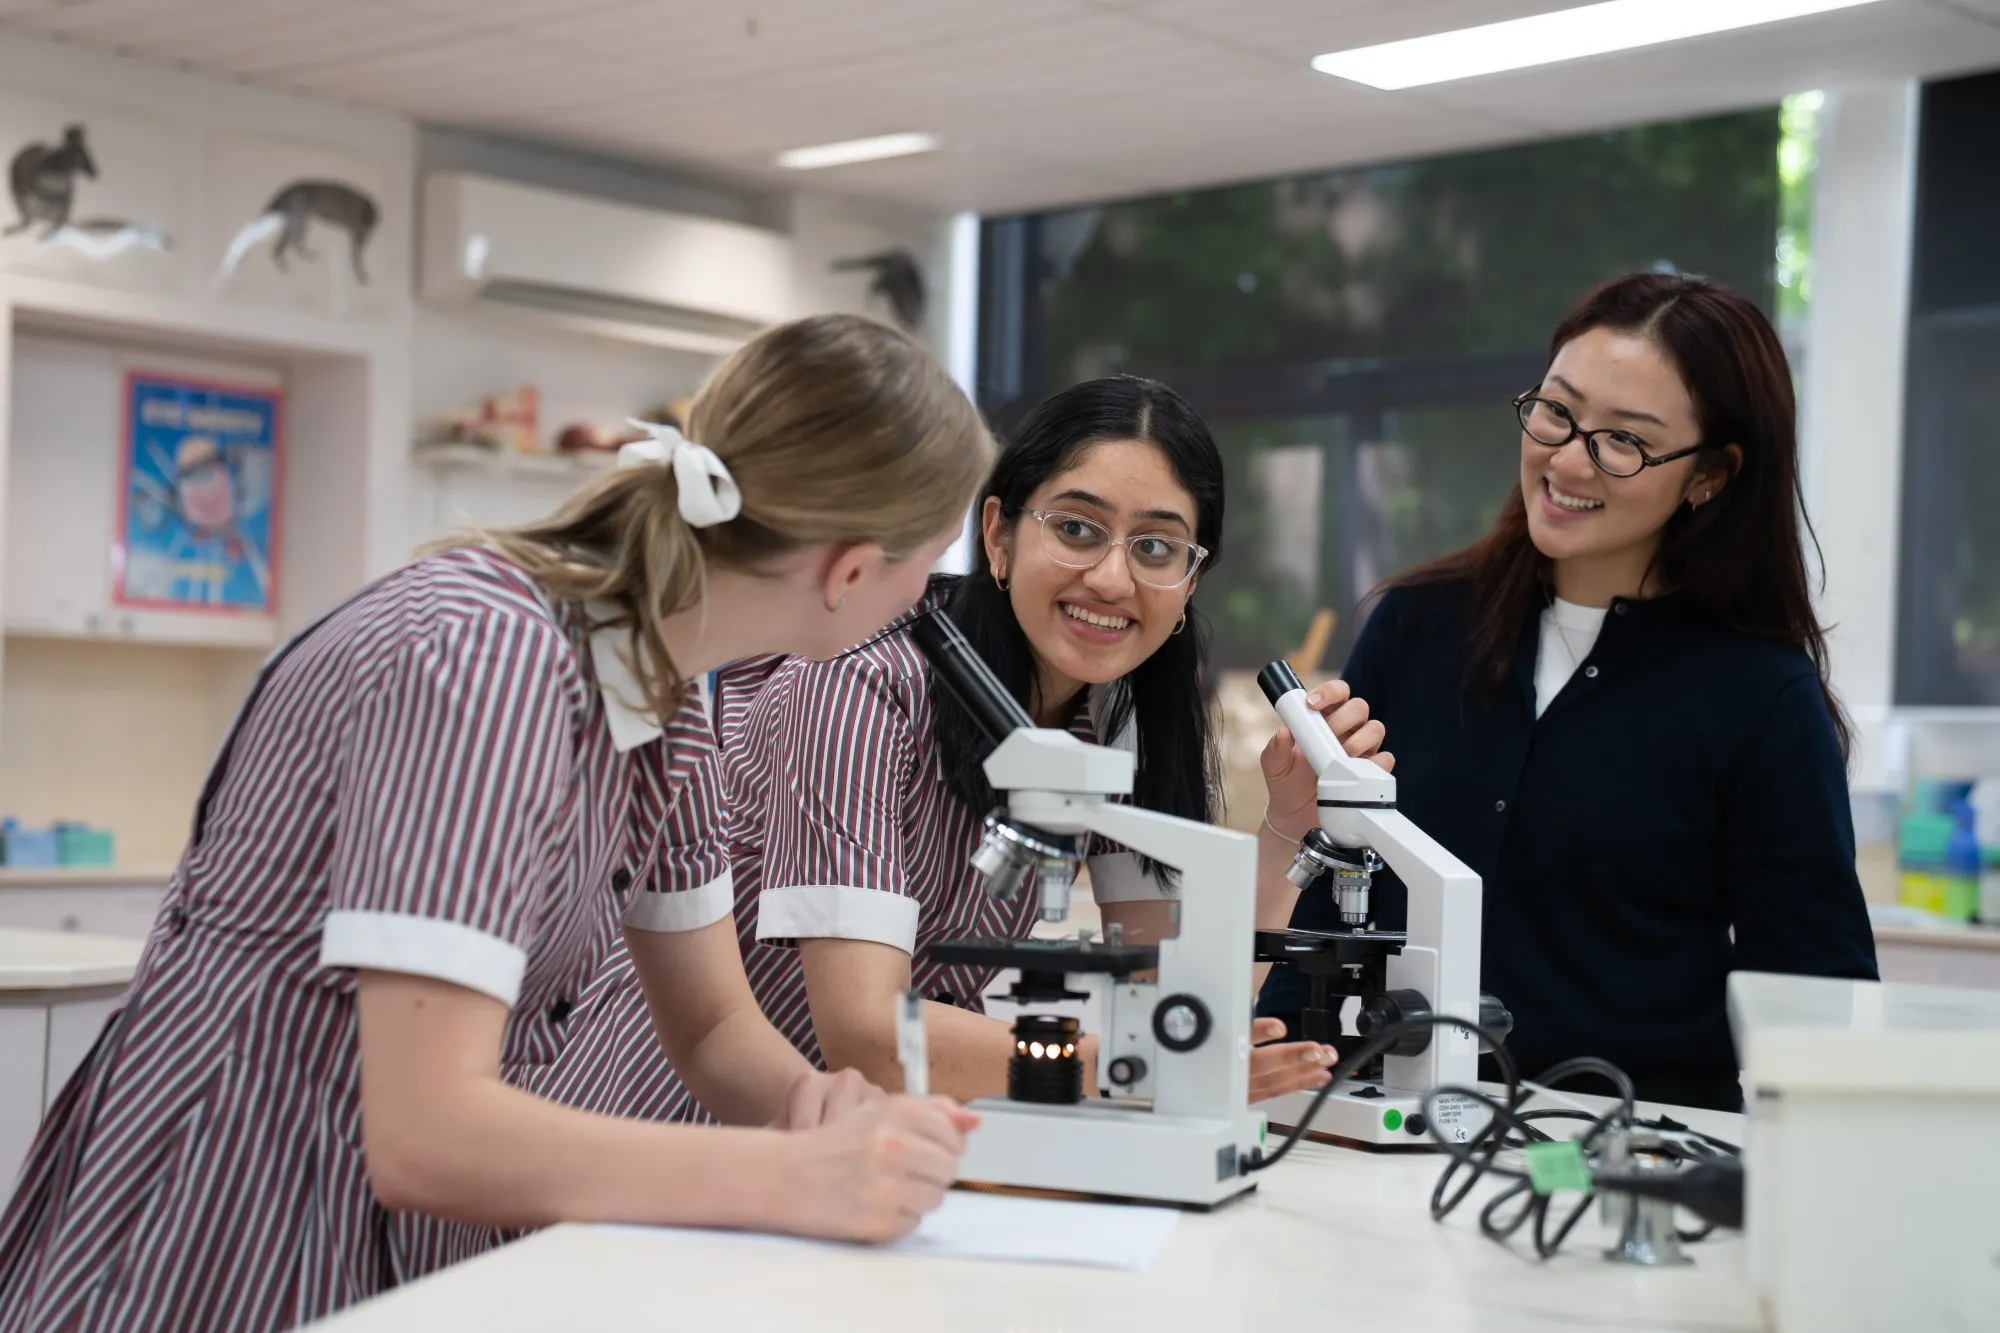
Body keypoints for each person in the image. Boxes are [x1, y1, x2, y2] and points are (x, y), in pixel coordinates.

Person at [0, 314, 991, 1333]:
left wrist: (827, 1114)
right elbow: (427, 1130)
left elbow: (711, 1025)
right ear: (851, 569)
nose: (929, 599)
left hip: (411, 1247)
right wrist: (791, 1178)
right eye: (933, 562)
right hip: (224, 1233)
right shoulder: (483, 661)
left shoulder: (673, 697)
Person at [535, 375, 1392, 1129]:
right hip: (680, 1132)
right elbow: (868, 1034)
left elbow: (1185, 1002)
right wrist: (1126, 1068)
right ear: (998, 532)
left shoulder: (1114, 713)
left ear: (1192, 577)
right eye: (1078, 528)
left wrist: (1288, 826)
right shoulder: (858, 682)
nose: (1111, 579)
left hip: (884, 1143)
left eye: (1157, 547)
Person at [1261, 271, 1878, 1111]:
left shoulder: (1760, 696)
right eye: (1557, 410)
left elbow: (1816, 1001)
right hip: (1375, 1129)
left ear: (1711, 475)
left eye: (1625, 440)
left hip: (1629, 1157)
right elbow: (1335, 898)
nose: (1565, 458)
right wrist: (1271, 1081)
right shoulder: (1417, 626)